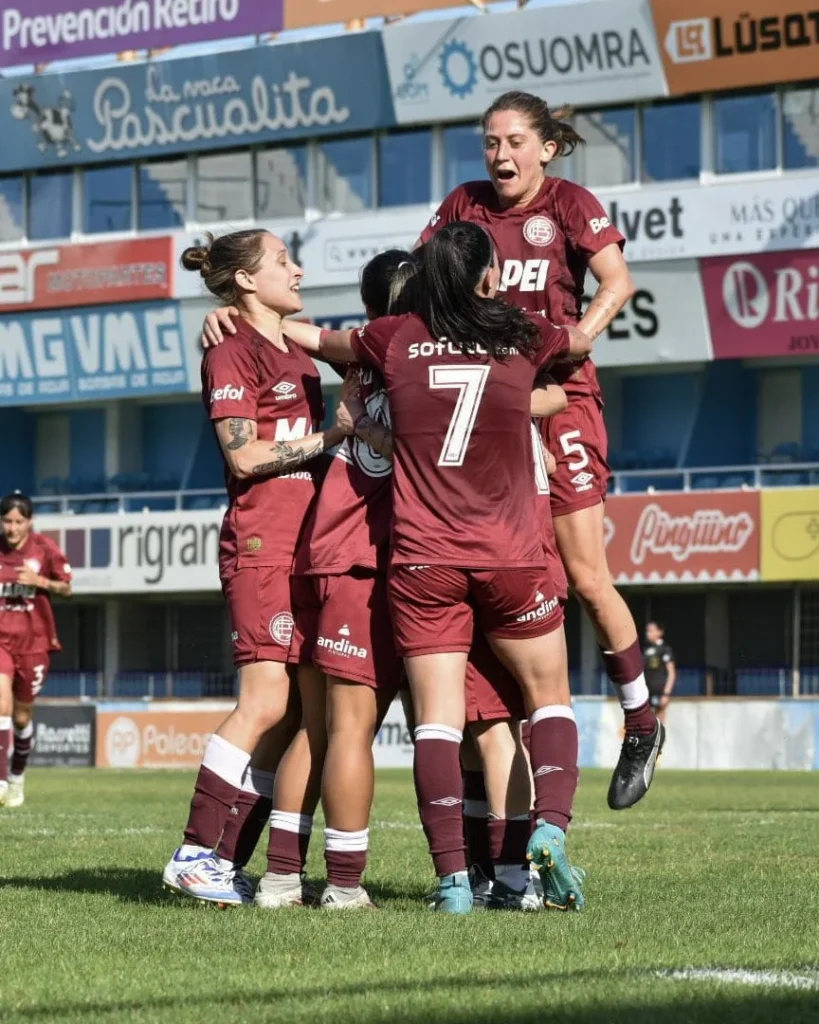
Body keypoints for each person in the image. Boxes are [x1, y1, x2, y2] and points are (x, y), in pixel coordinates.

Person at [202, 252, 576, 912]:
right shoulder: (429, 359)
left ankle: (296, 874)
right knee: (476, 727)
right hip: (393, 557)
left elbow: (318, 338)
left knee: (342, 729)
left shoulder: (382, 354)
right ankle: (483, 875)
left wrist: (248, 317)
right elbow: (557, 379)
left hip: (378, 559)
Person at [418, 90, 664, 812]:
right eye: (491, 142)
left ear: (546, 147)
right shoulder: (461, 204)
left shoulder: (567, 203)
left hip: (562, 404)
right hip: (493, 407)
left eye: (515, 142)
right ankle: (510, 789)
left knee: (586, 576)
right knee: (513, 580)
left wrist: (579, 335)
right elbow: (416, 281)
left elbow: (616, 281)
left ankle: (641, 721)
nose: (500, 156)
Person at [162, 229, 354, 906]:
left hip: (307, 547)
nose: (297, 270)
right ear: (246, 280)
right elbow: (243, 458)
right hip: (261, 544)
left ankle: (225, 862)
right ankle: (193, 850)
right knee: (266, 703)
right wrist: (333, 435)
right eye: (282, 261)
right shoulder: (231, 349)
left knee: (293, 712)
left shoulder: (292, 346)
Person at [0, 492, 73, 808]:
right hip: (1, 640)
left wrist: (39, 580)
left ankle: (17, 777)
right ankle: (1, 780)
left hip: (34, 644)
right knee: (1, 703)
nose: (12, 528)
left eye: (18, 521)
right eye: (6, 521)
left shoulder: (44, 549)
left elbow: (67, 588)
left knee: (21, 715)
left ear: (29, 522)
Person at [643, 621, 676, 726]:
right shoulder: (646, 650)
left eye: (651, 631)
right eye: (647, 631)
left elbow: (672, 673)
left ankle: (658, 740)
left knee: (659, 720)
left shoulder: (665, 649)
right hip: (647, 690)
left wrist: (666, 694)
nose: (648, 633)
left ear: (660, 632)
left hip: (659, 690)